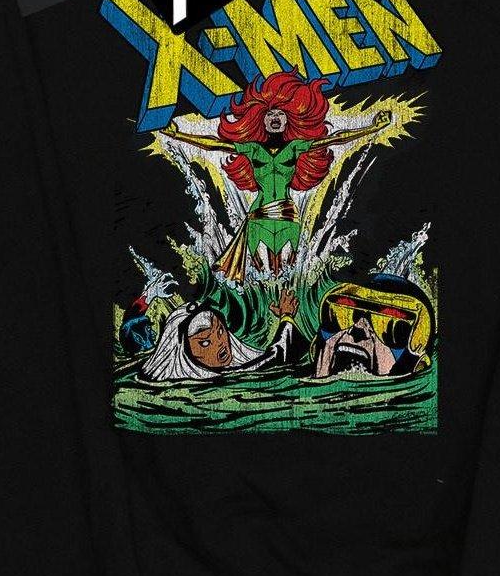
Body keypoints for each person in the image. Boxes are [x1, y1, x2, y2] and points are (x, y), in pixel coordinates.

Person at [161, 73, 390, 281]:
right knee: (260, 271)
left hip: (286, 212)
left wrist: (372, 128)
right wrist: (178, 135)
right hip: (259, 213)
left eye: (280, 113)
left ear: (288, 119)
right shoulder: (252, 149)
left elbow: (336, 138)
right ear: (262, 119)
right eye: (270, 113)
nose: (275, 117)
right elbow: (215, 145)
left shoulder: (295, 147)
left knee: (288, 270)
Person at [139, 288, 301, 382]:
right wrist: (286, 317)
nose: (220, 343)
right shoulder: (228, 377)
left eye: (221, 331)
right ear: (183, 352)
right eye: (205, 342)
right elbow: (277, 356)